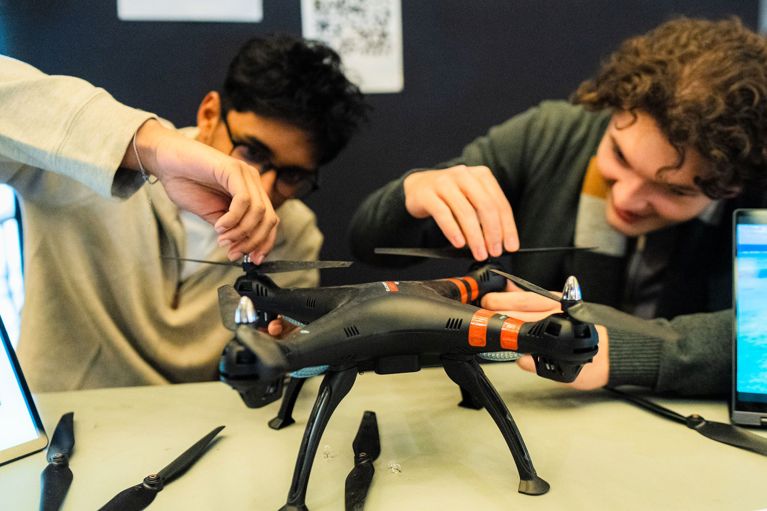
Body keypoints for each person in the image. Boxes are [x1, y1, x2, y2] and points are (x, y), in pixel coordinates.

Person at [348, 17, 767, 397]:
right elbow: (370, 243)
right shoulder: (551, 136)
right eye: (619, 156)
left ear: (731, 187)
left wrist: (631, 349)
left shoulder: (756, 188)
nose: (625, 198)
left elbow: (759, 339)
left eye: (673, 190)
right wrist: (413, 195)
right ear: (613, 108)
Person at [1, 34, 368, 391]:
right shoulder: (83, 159)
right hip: (57, 414)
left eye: (292, 176)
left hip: (196, 421)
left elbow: (275, 373)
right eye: (253, 152)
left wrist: (288, 354)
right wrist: (150, 149)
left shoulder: (294, 233)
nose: (264, 187)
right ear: (209, 114)